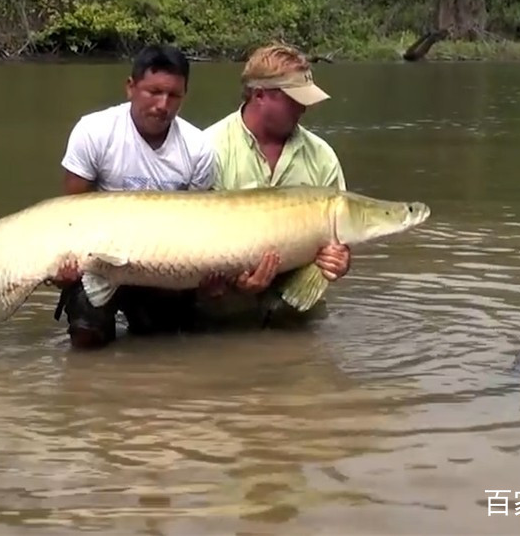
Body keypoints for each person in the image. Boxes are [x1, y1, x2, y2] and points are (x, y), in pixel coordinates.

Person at [49, 44, 277, 348]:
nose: (162, 104)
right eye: (153, 92)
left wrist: (211, 282)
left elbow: (201, 229)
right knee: (87, 335)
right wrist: (62, 269)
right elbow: (70, 214)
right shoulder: (94, 131)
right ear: (131, 87)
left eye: (174, 96)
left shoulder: (198, 148)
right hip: (101, 258)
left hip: (161, 266)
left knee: (161, 343)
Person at [198, 42, 352, 327]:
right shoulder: (208, 148)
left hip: (296, 303)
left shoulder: (322, 156)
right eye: (294, 100)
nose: (304, 109)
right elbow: (195, 239)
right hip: (224, 304)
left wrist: (340, 259)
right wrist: (233, 280)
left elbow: (339, 235)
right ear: (259, 95)